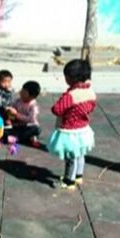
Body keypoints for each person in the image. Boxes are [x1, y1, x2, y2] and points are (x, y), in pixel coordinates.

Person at [47, 59, 96, 189]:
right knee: (80, 154)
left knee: (70, 157)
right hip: (83, 129)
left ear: (72, 78)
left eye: (66, 76)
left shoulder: (71, 95)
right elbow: (92, 107)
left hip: (70, 131)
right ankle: (79, 176)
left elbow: (56, 109)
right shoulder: (90, 91)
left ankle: (69, 181)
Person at [8, 81, 42, 146]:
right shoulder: (17, 101)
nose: (21, 93)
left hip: (28, 126)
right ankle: (27, 138)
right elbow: (11, 111)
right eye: (22, 90)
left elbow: (30, 119)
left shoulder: (34, 106)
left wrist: (16, 114)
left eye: (24, 93)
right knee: (6, 129)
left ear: (32, 96)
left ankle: (17, 138)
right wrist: (10, 117)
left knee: (36, 129)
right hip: (17, 126)